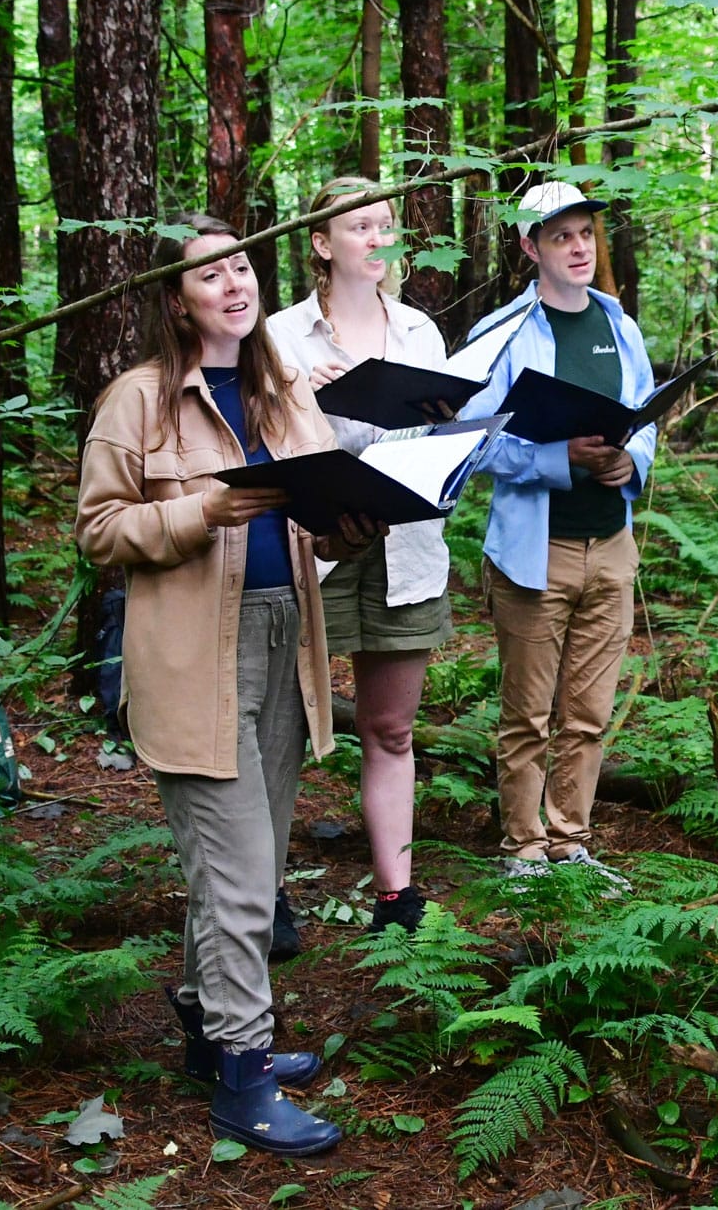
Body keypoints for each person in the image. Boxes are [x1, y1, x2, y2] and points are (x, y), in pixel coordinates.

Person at [76, 215, 369, 1156]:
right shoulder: (139, 401)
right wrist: (203, 510)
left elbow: (318, 511)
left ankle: (208, 1024)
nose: (235, 284)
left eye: (242, 264)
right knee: (241, 876)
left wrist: (351, 524)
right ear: (177, 299)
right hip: (191, 657)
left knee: (253, 860)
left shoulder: (281, 391)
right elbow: (99, 532)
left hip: (286, 643)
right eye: (211, 275)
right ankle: (243, 1077)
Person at [269, 177, 454, 935]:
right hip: (308, 550)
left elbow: (444, 453)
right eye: (359, 228)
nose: (378, 239)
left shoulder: (419, 333)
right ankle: (265, 896)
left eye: (386, 226)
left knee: (390, 728)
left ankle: (395, 897)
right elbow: (262, 450)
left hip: (405, 547)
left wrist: (446, 421)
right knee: (277, 729)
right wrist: (301, 403)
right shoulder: (279, 336)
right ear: (321, 244)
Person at [455, 181, 655, 883]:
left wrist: (634, 458)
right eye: (560, 235)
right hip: (534, 550)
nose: (577, 247)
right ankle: (522, 847)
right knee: (528, 714)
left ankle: (571, 841)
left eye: (585, 234)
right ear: (529, 245)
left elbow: (646, 416)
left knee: (589, 710)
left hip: (611, 544)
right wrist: (556, 460)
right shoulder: (504, 332)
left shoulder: (617, 325)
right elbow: (471, 442)